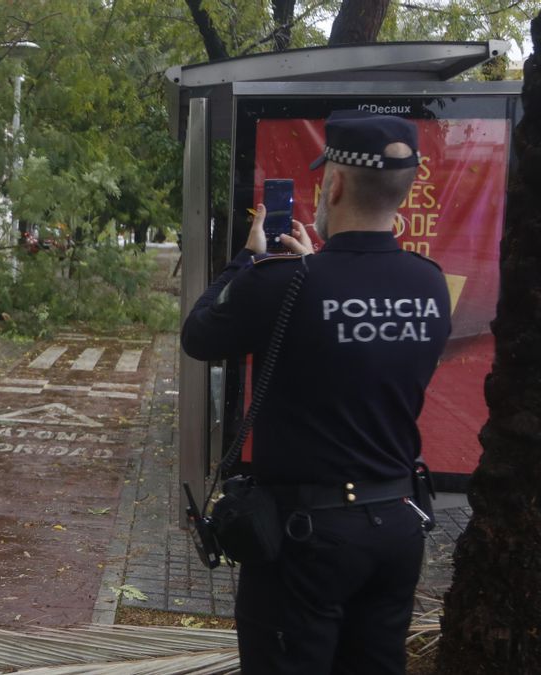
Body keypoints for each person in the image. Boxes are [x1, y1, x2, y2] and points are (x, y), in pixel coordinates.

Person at [180, 110, 452, 674]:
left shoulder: (285, 284)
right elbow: (359, 351)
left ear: (336, 182)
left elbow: (199, 334)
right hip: (397, 528)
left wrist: (250, 259)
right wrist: (311, 274)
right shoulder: (430, 284)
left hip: (307, 540)